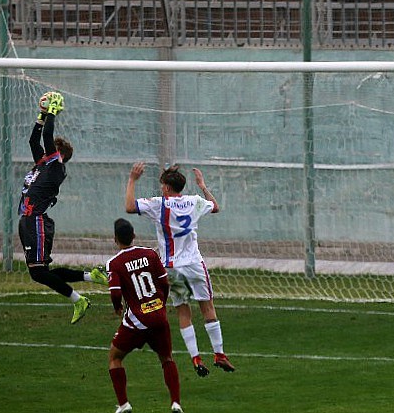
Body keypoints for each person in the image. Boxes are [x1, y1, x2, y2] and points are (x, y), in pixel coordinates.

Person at [125, 162, 236, 377]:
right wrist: (202, 186)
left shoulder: (159, 204)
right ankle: (219, 354)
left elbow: (130, 206)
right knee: (207, 308)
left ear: (167, 187)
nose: (161, 189)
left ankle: (195, 357)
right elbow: (215, 207)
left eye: (162, 186)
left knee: (183, 311)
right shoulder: (194, 201)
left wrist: (132, 179)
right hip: (194, 264)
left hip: (172, 267)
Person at [17, 91, 108, 324]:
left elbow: (47, 135)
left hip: (36, 220)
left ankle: (79, 300)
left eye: (53, 150)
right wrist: (41, 114)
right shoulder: (43, 164)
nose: (47, 150)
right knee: (40, 272)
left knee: (39, 272)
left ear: (60, 155)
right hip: (28, 220)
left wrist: (52, 112)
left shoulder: (56, 167)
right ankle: (91, 276)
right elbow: (34, 140)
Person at [105, 217, 183, 413]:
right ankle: (176, 403)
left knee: (115, 357)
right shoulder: (150, 254)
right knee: (167, 358)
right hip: (158, 317)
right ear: (134, 235)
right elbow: (164, 283)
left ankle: (124, 404)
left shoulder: (114, 263)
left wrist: (117, 307)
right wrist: (161, 304)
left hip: (136, 322)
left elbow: (115, 293)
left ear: (115, 239)